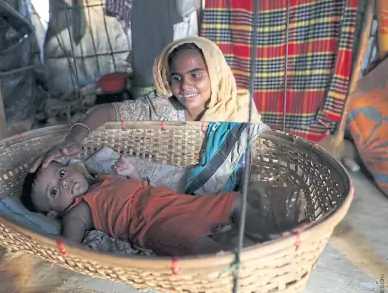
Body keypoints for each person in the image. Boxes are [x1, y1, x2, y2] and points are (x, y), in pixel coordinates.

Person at [30, 36, 262, 173]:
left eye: (196, 75)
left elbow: (258, 163)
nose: (185, 86)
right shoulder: (163, 108)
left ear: (216, 72)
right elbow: (106, 111)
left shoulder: (240, 109)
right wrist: (73, 140)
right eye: (177, 77)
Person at [22, 155, 274, 257]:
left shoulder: (98, 178)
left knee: (234, 201)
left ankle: (271, 234)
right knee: (196, 244)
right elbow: (70, 243)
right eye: (54, 191)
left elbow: (136, 186)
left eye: (62, 174)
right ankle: (239, 258)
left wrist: (130, 172)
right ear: (53, 212)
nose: (64, 184)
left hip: (173, 202)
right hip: (152, 224)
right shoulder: (78, 211)